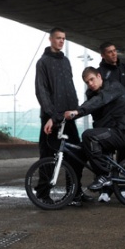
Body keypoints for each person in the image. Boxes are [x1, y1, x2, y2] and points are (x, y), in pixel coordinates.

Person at [63, 67, 125, 191]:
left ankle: (104, 175)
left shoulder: (113, 87)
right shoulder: (91, 94)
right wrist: (58, 119)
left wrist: (77, 111)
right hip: (106, 134)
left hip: (122, 132)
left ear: (99, 76)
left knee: (88, 135)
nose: (90, 84)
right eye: (87, 82)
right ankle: (74, 194)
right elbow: (88, 107)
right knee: (75, 154)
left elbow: (99, 101)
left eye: (92, 79)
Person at [34, 27, 83, 204]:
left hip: (68, 117)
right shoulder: (43, 62)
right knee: (48, 157)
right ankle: (43, 194)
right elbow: (42, 91)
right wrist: (51, 115)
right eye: (58, 38)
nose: (61, 41)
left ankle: (75, 192)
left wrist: (75, 109)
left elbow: (70, 87)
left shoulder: (66, 61)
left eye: (63, 38)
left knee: (76, 154)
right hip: (51, 118)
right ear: (50, 39)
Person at [96, 42, 125, 202]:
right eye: (109, 52)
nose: (114, 54)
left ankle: (124, 189)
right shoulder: (99, 73)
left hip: (124, 122)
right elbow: (92, 95)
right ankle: (105, 191)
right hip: (105, 122)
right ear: (103, 55)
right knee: (105, 157)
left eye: (114, 51)